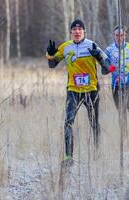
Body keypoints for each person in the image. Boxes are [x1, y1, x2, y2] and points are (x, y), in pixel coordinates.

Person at [46, 19, 114, 164]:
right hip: (73, 91)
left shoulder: (92, 45)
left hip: (91, 91)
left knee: (94, 123)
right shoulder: (65, 47)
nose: (77, 32)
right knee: (68, 123)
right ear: (71, 32)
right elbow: (52, 65)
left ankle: (97, 153)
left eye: (80, 29)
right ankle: (68, 157)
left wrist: (99, 57)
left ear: (84, 32)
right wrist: (50, 54)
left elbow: (107, 69)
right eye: (74, 30)